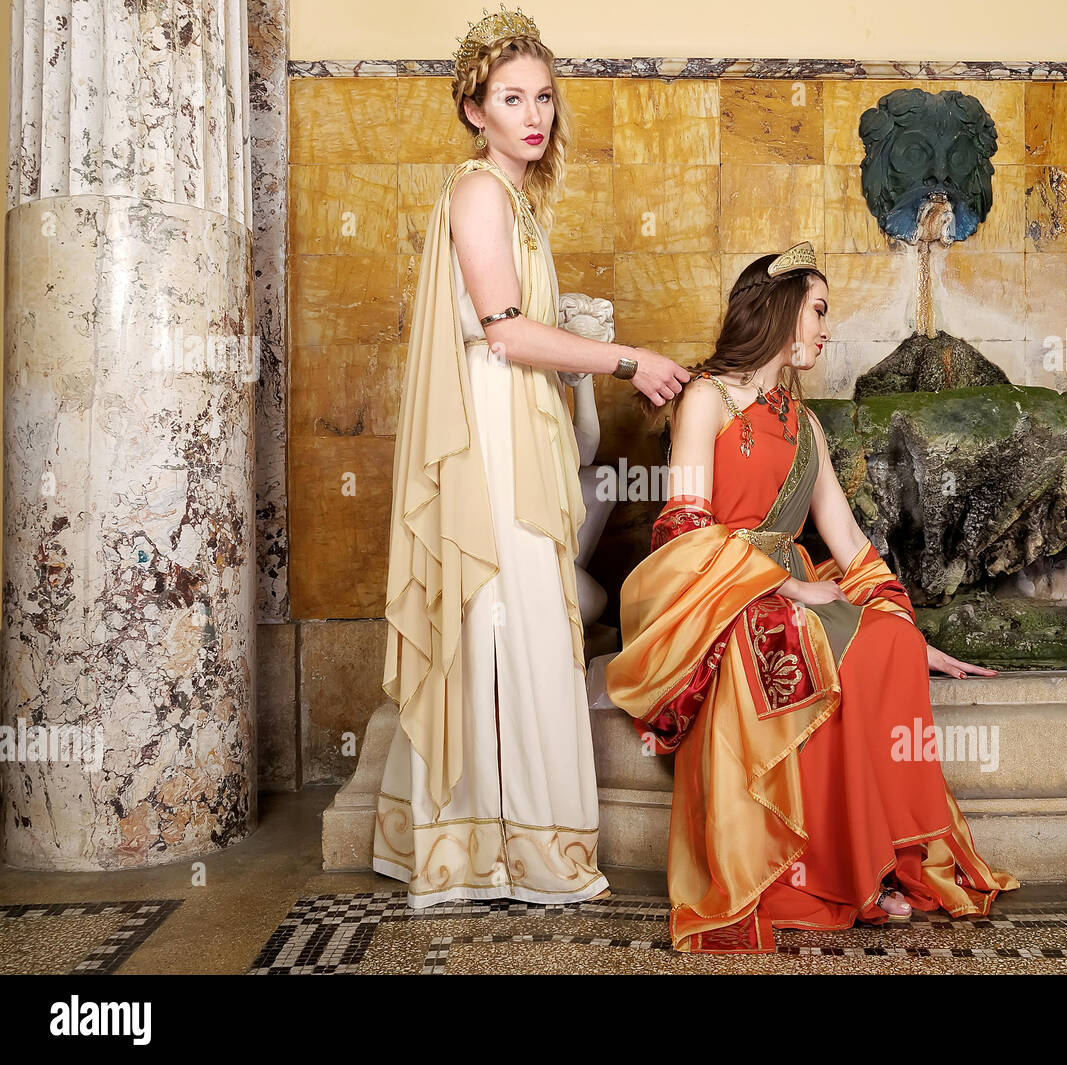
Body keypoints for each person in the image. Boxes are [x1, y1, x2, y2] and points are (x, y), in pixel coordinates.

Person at [605, 241, 1019, 952]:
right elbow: (682, 527)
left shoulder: (808, 428)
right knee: (794, 634)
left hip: (793, 586)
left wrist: (908, 629)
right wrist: (783, 581)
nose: (827, 329)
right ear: (781, 310)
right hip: (721, 591)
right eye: (819, 310)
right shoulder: (706, 398)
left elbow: (851, 545)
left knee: (884, 639)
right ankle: (806, 875)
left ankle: (877, 856)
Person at [374, 7, 690, 907]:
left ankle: (492, 837)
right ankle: (504, 846)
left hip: (517, 428)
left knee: (521, 617)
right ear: (475, 108)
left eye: (543, 97)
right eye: (512, 98)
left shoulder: (517, 202)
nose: (533, 114)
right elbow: (508, 337)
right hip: (490, 441)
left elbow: (518, 330)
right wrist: (630, 360)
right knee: (511, 616)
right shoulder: (478, 191)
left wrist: (579, 348)